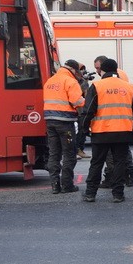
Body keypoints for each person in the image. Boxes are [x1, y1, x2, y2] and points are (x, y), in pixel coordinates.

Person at [80, 58, 133, 203]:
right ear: (116, 70)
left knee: (97, 163)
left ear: (103, 70)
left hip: (101, 131)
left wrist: (84, 128)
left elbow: (88, 111)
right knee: (120, 163)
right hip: (123, 132)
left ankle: (90, 193)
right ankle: (118, 194)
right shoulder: (129, 87)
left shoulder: (97, 86)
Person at [42, 59, 85, 194]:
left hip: (50, 121)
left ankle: (55, 185)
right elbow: (77, 102)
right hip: (65, 122)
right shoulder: (70, 81)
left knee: (54, 154)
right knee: (69, 154)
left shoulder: (50, 81)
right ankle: (67, 185)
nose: (80, 74)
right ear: (73, 70)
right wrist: (86, 102)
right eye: (79, 71)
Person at [94, 55, 133, 186]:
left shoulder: (109, 80)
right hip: (123, 122)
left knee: (110, 156)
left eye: (98, 68)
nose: (97, 71)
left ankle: (113, 177)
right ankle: (127, 174)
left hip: (110, 123)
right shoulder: (120, 75)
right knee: (123, 153)